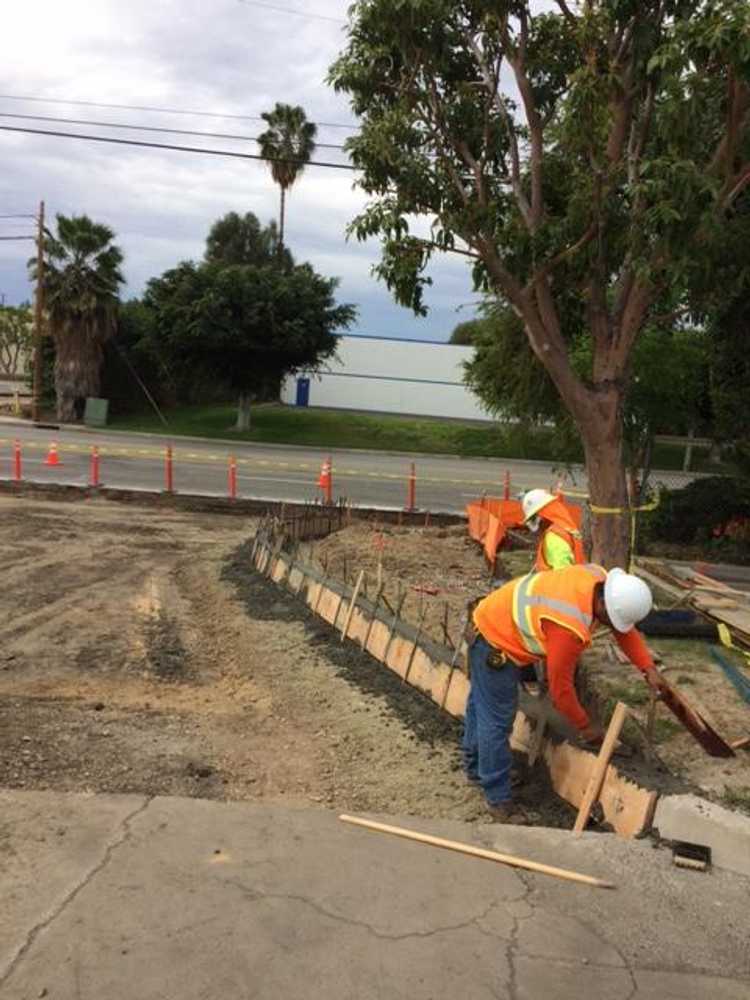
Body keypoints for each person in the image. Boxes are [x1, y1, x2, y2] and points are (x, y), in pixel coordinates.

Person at [463, 563, 660, 822]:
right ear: (605, 606)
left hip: (490, 618)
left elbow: (624, 631)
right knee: (496, 720)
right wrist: (586, 727)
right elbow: (561, 690)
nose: (614, 626)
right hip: (494, 641)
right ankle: (498, 798)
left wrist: (648, 668)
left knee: (481, 704)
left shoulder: (598, 580)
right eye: (613, 619)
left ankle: (477, 767)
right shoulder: (568, 627)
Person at [521, 488, 585, 570]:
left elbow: (562, 571)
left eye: (533, 520)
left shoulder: (554, 537)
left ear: (541, 517)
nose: (537, 528)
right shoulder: (565, 528)